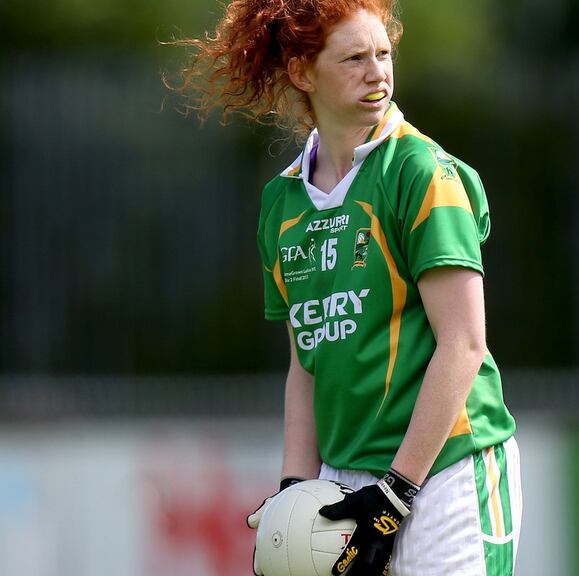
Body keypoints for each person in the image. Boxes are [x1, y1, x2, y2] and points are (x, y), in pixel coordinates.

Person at [171, 1, 521, 574]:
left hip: (446, 472)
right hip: (342, 482)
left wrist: (397, 492)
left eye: (384, 54)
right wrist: (293, 490)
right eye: (355, 57)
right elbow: (305, 367)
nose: (377, 71)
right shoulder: (280, 205)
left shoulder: (423, 172)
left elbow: (464, 346)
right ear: (302, 72)